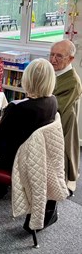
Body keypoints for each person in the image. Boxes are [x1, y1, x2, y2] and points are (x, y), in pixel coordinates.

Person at [0, 58, 57, 171]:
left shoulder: (17, 107)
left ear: (27, 79)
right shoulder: (53, 100)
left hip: (9, 158)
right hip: (32, 155)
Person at [49, 39, 82, 194]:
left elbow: (56, 107)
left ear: (70, 59)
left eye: (59, 56)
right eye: (52, 54)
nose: (53, 59)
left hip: (63, 122)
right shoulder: (56, 72)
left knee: (64, 153)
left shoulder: (72, 81)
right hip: (54, 118)